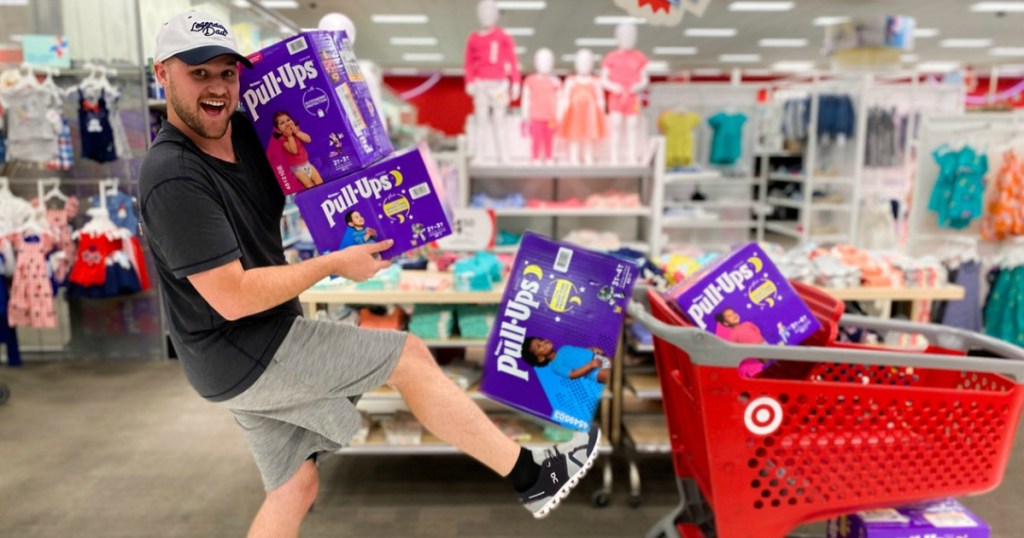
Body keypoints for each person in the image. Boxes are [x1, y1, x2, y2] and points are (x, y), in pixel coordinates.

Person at [140, 11, 599, 537]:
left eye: (227, 72)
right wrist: (335, 263)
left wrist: (395, 205)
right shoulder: (172, 175)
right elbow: (233, 297)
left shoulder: (244, 132)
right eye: (199, 73)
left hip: (248, 343)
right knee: (407, 356)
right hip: (242, 346)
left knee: (294, 488)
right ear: (162, 74)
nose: (218, 87)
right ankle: (531, 477)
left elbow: (329, 155)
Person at [520, 337, 611, 384]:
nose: (544, 342)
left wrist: (591, 349)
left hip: (597, 358)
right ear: (540, 358)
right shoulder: (555, 366)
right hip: (595, 372)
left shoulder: (563, 348)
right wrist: (591, 365)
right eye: (538, 346)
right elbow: (572, 374)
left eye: (541, 340)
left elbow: (579, 353)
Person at [272, 111, 324, 189]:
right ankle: (316, 198)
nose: (287, 124)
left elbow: (308, 139)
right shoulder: (283, 140)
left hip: (307, 164)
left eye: (288, 120)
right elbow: (294, 151)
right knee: (309, 185)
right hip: (297, 168)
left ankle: (324, 194)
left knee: (319, 181)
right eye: (282, 123)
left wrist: (296, 132)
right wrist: (289, 136)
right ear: (278, 130)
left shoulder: (297, 132)